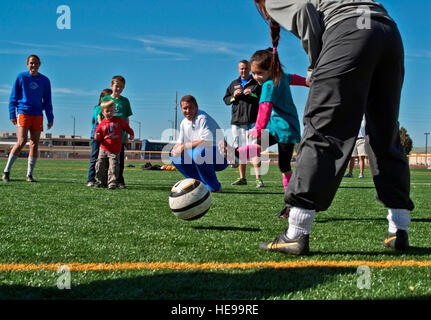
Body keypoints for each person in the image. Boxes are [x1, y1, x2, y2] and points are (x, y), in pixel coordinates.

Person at [254, 0, 414, 255]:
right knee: (385, 131)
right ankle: (399, 230)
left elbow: (305, 11)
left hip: (349, 30)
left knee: (323, 128)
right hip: (388, 32)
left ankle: (296, 232)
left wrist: (316, 66)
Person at [220, 48, 308, 218]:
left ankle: (291, 205)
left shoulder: (268, 85)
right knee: (258, 146)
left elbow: (265, 107)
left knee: (284, 167)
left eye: (259, 73)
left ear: (271, 70)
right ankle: (236, 154)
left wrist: (259, 127)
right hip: (277, 127)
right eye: (253, 73)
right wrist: (307, 82)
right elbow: (294, 78)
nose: (255, 77)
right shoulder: (281, 76)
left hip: (286, 130)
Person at [2, 54, 53, 183]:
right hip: (23, 112)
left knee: (34, 144)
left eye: (36, 63)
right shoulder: (21, 77)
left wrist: (50, 117)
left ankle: (29, 175)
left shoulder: (45, 80)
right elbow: (13, 97)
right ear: (27, 64)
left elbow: (47, 101)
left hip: (37, 114)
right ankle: (6, 171)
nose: (33, 65)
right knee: (22, 141)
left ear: (39, 64)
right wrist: (12, 114)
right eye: (31, 63)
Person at [170, 95, 228, 193]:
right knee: (175, 157)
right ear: (181, 109)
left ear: (196, 107)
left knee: (199, 152)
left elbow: (206, 141)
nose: (188, 111)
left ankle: (214, 187)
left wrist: (184, 146)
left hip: (221, 157)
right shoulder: (183, 123)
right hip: (200, 153)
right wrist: (174, 150)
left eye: (191, 107)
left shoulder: (202, 118)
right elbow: (180, 142)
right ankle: (200, 185)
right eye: (185, 108)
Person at [223, 60, 263, 188]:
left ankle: (258, 179)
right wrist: (234, 96)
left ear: (250, 69)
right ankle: (242, 178)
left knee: (255, 150)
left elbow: (263, 98)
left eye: (246, 68)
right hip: (237, 122)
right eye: (241, 69)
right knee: (240, 150)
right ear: (238, 69)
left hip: (252, 122)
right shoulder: (234, 84)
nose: (243, 71)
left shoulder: (256, 83)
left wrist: (252, 94)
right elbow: (226, 99)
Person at [99, 75, 133, 189]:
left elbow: (126, 118)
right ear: (111, 86)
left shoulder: (125, 101)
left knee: (119, 161)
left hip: (120, 137)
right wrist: (101, 128)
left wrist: (127, 134)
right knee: (103, 161)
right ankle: (103, 181)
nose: (118, 89)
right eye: (116, 86)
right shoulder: (106, 99)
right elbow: (100, 115)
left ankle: (119, 181)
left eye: (121, 87)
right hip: (107, 138)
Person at [94, 100, 134, 189]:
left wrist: (131, 133)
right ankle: (102, 182)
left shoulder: (118, 120)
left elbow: (126, 127)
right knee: (100, 166)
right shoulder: (101, 124)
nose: (110, 113)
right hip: (103, 148)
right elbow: (97, 138)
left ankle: (112, 183)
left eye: (112, 111)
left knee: (113, 167)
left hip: (115, 150)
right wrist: (97, 136)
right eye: (107, 111)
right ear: (103, 112)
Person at [86, 88, 113, 187]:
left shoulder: (110, 109)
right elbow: (95, 122)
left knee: (104, 159)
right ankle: (91, 179)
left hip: (106, 137)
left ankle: (103, 179)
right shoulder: (98, 109)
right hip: (97, 136)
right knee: (95, 157)